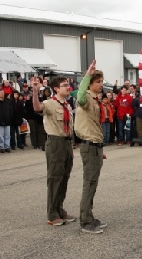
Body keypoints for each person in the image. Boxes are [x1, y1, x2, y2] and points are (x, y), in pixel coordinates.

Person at [32, 75, 76, 226]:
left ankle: (60, 209)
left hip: (67, 143)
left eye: (68, 84)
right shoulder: (50, 103)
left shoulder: (67, 105)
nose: (68, 87)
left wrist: (71, 147)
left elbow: (69, 127)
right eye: (65, 85)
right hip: (55, 143)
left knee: (64, 178)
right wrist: (35, 92)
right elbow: (37, 108)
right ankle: (52, 213)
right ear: (56, 88)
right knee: (54, 178)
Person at [75, 60, 108, 234]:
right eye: (98, 82)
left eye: (102, 81)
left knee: (93, 183)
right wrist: (87, 75)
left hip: (95, 145)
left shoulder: (95, 99)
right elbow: (79, 96)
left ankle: (89, 215)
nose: (101, 85)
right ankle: (85, 221)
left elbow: (94, 125)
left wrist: (100, 149)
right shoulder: (86, 98)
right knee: (89, 183)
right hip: (89, 146)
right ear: (90, 84)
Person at [0, 88, 13, 153]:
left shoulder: (8, 102)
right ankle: (2, 147)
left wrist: (10, 118)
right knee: (1, 135)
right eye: (0, 93)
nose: (2, 94)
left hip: (7, 121)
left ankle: (7, 146)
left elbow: (11, 111)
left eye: (3, 93)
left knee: (7, 135)